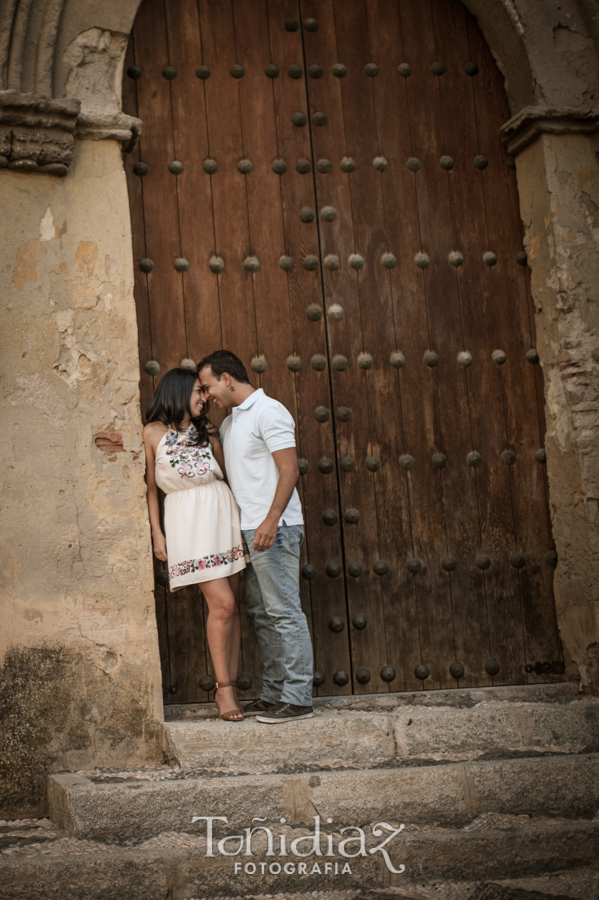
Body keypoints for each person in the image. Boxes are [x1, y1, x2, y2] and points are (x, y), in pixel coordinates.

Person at [198, 350, 314, 724]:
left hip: (273, 529)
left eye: (209, 385)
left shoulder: (270, 411)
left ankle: (298, 698)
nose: (207, 394)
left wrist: (271, 520)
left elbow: (289, 469)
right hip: (250, 531)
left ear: (227, 378)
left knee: (284, 612)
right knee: (263, 615)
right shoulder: (231, 424)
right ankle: (274, 692)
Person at [143, 367, 248, 722]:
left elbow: (228, 478)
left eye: (204, 392)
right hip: (186, 522)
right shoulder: (153, 433)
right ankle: (224, 689)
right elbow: (151, 490)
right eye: (197, 392)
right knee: (223, 603)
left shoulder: (209, 433)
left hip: (222, 515)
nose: (204, 397)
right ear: (177, 392)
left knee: (231, 608)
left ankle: (228, 685)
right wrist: (157, 533)